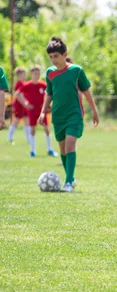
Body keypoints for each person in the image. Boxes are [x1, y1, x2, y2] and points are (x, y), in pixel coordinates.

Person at [38, 37, 100, 192]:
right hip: (58, 116)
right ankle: (71, 179)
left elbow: (86, 91)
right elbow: (49, 93)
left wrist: (94, 111)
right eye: (50, 57)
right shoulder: (50, 73)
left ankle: (67, 183)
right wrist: (43, 111)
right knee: (63, 150)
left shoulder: (76, 71)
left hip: (74, 115)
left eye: (56, 56)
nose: (53, 60)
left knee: (70, 144)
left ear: (64, 54)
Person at [14, 65, 58, 157]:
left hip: (42, 111)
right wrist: (25, 103)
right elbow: (17, 94)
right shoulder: (27, 85)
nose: (37, 75)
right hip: (32, 111)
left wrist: (48, 104)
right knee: (32, 130)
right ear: (31, 74)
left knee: (46, 129)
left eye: (38, 73)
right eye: (35, 74)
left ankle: (50, 149)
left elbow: (51, 92)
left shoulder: (43, 84)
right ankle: (33, 151)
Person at [7, 67, 29, 144]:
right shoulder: (19, 83)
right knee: (16, 120)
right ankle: (9, 137)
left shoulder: (24, 83)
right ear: (19, 75)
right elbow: (19, 95)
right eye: (24, 74)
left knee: (27, 120)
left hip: (24, 105)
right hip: (19, 105)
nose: (25, 75)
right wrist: (25, 103)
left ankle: (28, 138)